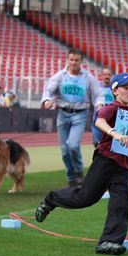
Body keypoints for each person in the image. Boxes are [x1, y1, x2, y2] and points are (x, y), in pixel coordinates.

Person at [35, 72, 128, 255]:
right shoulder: (112, 107)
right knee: (85, 198)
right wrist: (115, 133)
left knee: (120, 203)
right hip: (105, 160)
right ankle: (51, 200)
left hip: (123, 166)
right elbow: (99, 121)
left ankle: (109, 242)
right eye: (126, 88)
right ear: (115, 90)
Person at [41, 48, 104, 187]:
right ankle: (71, 177)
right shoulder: (60, 76)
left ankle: (78, 171)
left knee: (73, 145)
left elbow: (98, 93)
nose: (73, 62)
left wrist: (99, 104)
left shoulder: (88, 77)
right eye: (71, 60)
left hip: (80, 114)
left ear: (81, 61)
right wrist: (47, 100)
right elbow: (48, 90)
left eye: (76, 60)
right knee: (64, 150)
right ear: (67, 60)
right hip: (63, 114)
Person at [93, 69, 114, 146]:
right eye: (105, 74)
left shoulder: (114, 88)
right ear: (101, 75)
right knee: (98, 143)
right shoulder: (96, 87)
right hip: (98, 118)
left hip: (111, 119)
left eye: (108, 75)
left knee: (110, 142)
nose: (107, 76)